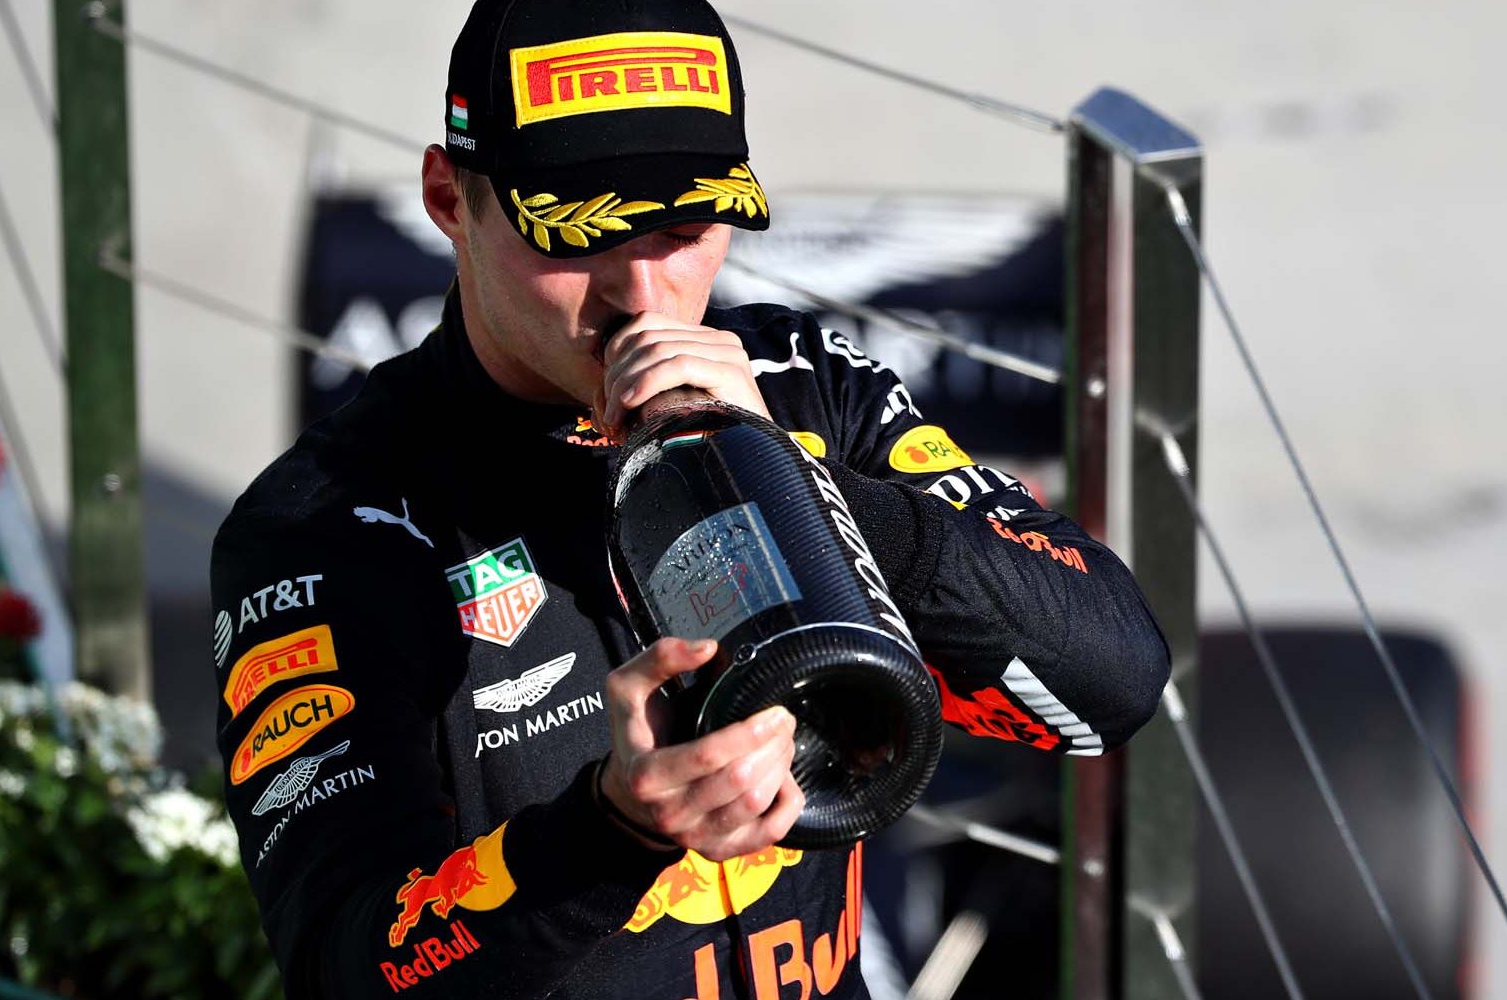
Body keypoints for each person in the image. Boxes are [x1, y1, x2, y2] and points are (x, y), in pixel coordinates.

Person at [210, 0, 1169, 996]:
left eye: (683, 225)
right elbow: (344, 960)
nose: (643, 293)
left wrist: (796, 489)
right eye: (577, 233)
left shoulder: (795, 383)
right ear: (449, 199)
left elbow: (1114, 681)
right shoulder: (325, 529)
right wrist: (612, 829)